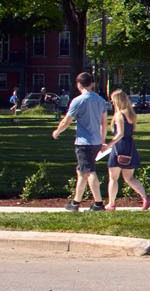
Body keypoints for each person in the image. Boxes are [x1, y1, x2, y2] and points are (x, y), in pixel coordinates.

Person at [52, 72, 110, 211]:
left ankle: (98, 204)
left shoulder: (78, 101)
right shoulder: (101, 101)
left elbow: (67, 121)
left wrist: (57, 131)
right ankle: (75, 203)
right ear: (92, 84)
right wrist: (102, 140)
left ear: (79, 84)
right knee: (81, 171)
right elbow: (104, 123)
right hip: (96, 142)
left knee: (89, 171)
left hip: (84, 143)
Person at [103, 89, 150, 210]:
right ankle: (145, 197)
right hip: (130, 146)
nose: (112, 103)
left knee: (113, 177)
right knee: (129, 177)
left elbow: (120, 134)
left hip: (119, 146)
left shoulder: (119, 115)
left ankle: (111, 203)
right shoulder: (131, 114)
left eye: (113, 100)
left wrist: (108, 145)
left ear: (117, 101)